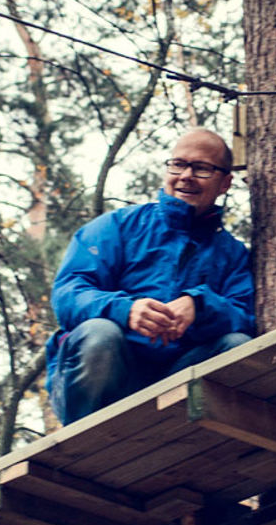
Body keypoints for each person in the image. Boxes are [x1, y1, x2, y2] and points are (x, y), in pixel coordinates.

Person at [45, 128, 256, 424]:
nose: (186, 176)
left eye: (202, 168)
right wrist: (126, 310)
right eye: (178, 164)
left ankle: (191, 443)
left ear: (225, 182)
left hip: (175, 381)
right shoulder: (117, 226)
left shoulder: (232, 254)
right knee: (100, 334)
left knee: (236, 345)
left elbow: (247, 314)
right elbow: (68, 294)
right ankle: (85, 444)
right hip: (101, 382)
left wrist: (200, 307)